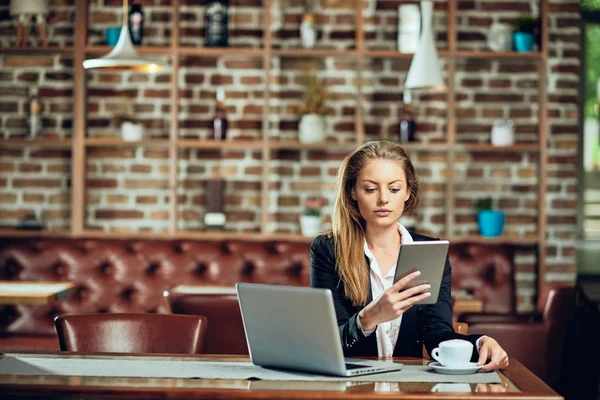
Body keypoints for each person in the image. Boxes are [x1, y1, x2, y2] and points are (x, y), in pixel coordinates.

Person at [310, 140, 509, 372]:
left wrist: (480, 342)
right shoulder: (328, 250)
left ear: (407, 192)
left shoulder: (430, 252)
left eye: (394, 189)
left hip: (410, 385)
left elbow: (437, 334)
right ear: (353, 192)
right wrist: (369, 318)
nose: (383, 199)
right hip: (352, 385)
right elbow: (327, 342)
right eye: (371, 189)